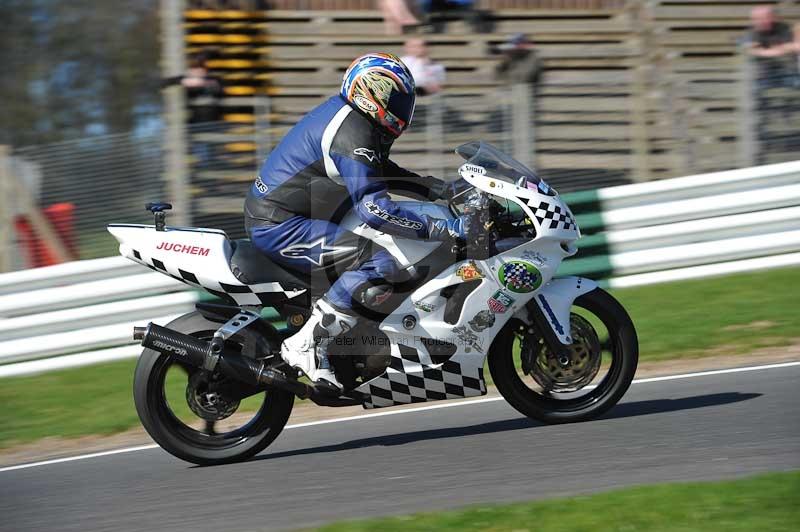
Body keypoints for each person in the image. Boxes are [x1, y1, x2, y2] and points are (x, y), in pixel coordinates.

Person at [244, 53, 471, 391]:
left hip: (300, 212)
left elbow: (377, 170)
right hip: (279, 224)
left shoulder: (355, 122)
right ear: (371, 93)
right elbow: (375, 210)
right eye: (395, 98)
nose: (403, 108)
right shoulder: (351, 132)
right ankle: (306, 345)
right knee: (380, 260)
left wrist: (437, 188)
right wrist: (441, 228)